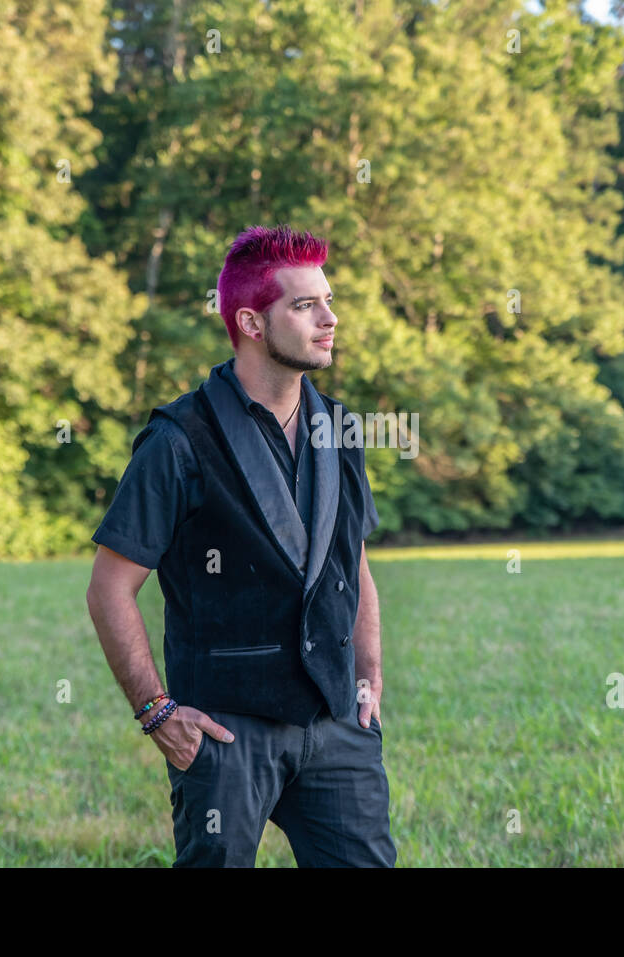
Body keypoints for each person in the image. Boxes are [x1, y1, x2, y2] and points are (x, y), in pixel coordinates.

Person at [85, 224, 397, 867]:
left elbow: (353, 562)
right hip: (224, 733)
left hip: (337, 726)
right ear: (252, 323)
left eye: (328, 300)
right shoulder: (177, 440)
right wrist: (156, 712)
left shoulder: (339, 427)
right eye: (305, 305)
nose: (329, 319)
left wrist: (368, 675)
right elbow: (110, 588)